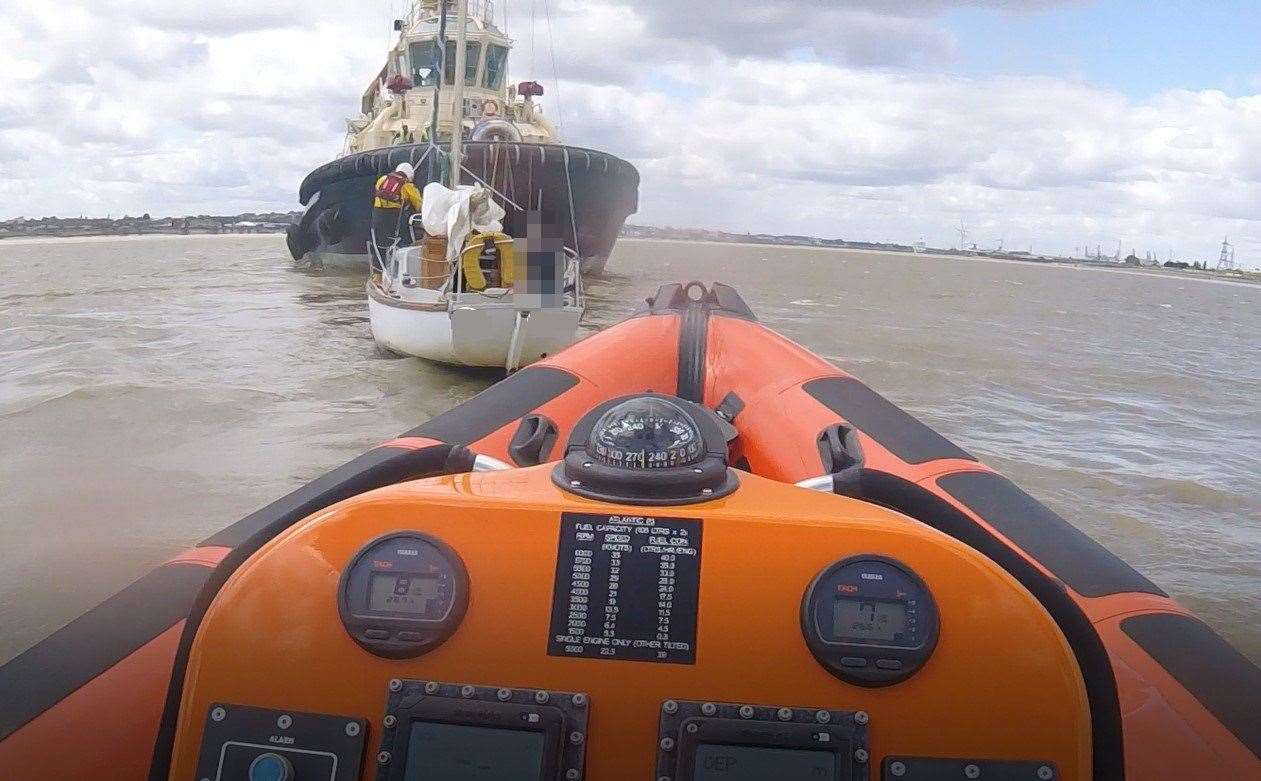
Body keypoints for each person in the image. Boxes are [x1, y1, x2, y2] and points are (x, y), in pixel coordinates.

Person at [371, 162, 422, 258]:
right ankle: (400, 263)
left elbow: (377, 192)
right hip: (395, 216)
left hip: (377, 214)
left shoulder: (382, 179)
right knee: (403, 240)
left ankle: (377, 269)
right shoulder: (408, 185)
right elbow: (418, 204)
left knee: (379, 242)